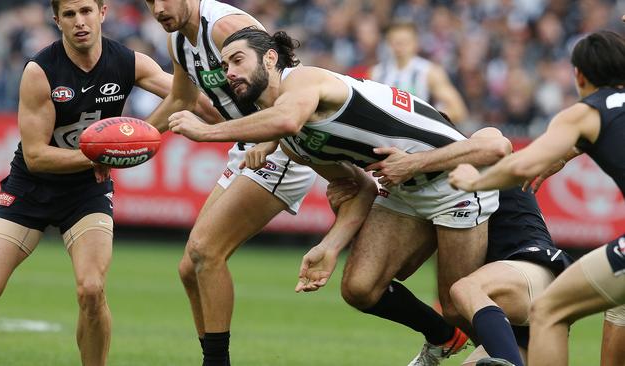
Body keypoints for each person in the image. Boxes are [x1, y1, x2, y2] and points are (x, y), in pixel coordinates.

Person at [167, 27, 499, 358]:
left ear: (270, 58)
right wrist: (329, 246)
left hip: (453, 178)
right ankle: (444, 338)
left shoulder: (303, 81)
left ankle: (523, 350)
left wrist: (206, 131)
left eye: (237, 61)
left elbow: (285, 119)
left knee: (457, 305)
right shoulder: (295, 141)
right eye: (225, 67)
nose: (230, 73)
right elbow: (361, 188)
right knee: (360, 288)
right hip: (403, 187)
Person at [0, 0, 172, 365]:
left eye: (85, 11)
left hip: (86, 192)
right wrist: (99, 156)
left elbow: (183, 97)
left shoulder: (127, 62)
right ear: (57, 20)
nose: (79, 21)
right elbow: (35, 155)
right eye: (69, 14)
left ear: (102, 12)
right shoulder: (40, 70)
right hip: (31, 187)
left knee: (92, 290)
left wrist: (141, 135)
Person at [142, 1, 317, 364]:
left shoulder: (225, 26)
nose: (158, 8)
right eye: (149, 0)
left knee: (206, 252)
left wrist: (270, 141)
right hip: (247, 145)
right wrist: (137, 136)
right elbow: (181, 98)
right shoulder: (178, 39)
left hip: (281, 146)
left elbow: (292, 88)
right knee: (189, 268)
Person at [448, 30, 625, 366]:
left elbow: (524, 162)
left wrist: (477, 180)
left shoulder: (585, 113)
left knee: (548, 309)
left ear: (579, 75)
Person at [328, 125, 574, 366]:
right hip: (517, 327)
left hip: (533, 271)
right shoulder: (439, 196)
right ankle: (484, 351)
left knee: (463, 290)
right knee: (460, 300)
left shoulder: (480, 147)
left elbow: (497, 142)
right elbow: (403, 267)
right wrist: (347, 208)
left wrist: (418, 161)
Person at [371, 22, 468, 123]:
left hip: (416, 132)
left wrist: (425, 120)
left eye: (405, 42)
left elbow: (458, 110)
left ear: (415, 43)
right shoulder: (377, 72)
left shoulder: (429, 72)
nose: (399, 46)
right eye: (395, 42)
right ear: (388, 43)